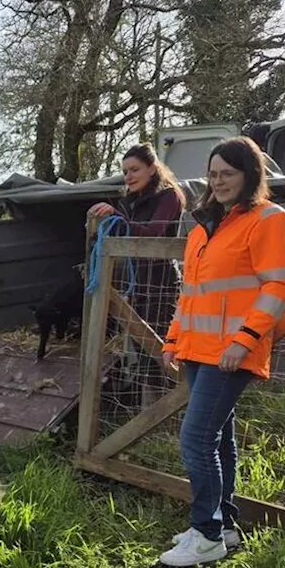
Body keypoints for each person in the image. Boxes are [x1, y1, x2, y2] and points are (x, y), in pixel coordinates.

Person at [157, 136, 285, 567]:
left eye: (228, 174)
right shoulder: (204, 227)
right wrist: (172, 339)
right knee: (217, 441)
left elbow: (281, 285)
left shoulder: (270, 219)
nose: (218, 182)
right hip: (199, 350)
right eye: (213, 173)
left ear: (250, 175)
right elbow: (192, 294)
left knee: (195, 438)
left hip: (232, 351)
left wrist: (245, 340)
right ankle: (224, 526)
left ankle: (206, 535)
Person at [87, 144, 187, 406]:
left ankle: (167, 408)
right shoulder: (130, 200)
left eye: (135, 169)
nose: (129, 176)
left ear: (152, 168)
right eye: (125, 171)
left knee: (159, 349)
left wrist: (117, 217)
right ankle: (148, 410)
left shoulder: (169, 197)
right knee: (140, 349)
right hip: (137, 281)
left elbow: (153, 231)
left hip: (159, 280)